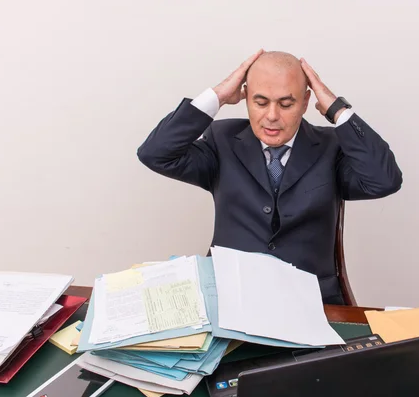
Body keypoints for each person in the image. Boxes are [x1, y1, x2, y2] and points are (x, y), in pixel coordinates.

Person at [137, 50, 402, 304]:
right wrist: (216, 96)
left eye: (286, 104)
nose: (272, 116)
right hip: (227, 295)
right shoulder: (222, 140)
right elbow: (155, 154)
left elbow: (384, 179)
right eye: (260, 102)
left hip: (311, 300)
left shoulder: (332, 147)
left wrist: (337, 108)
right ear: (246, 98)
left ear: (306, 102)